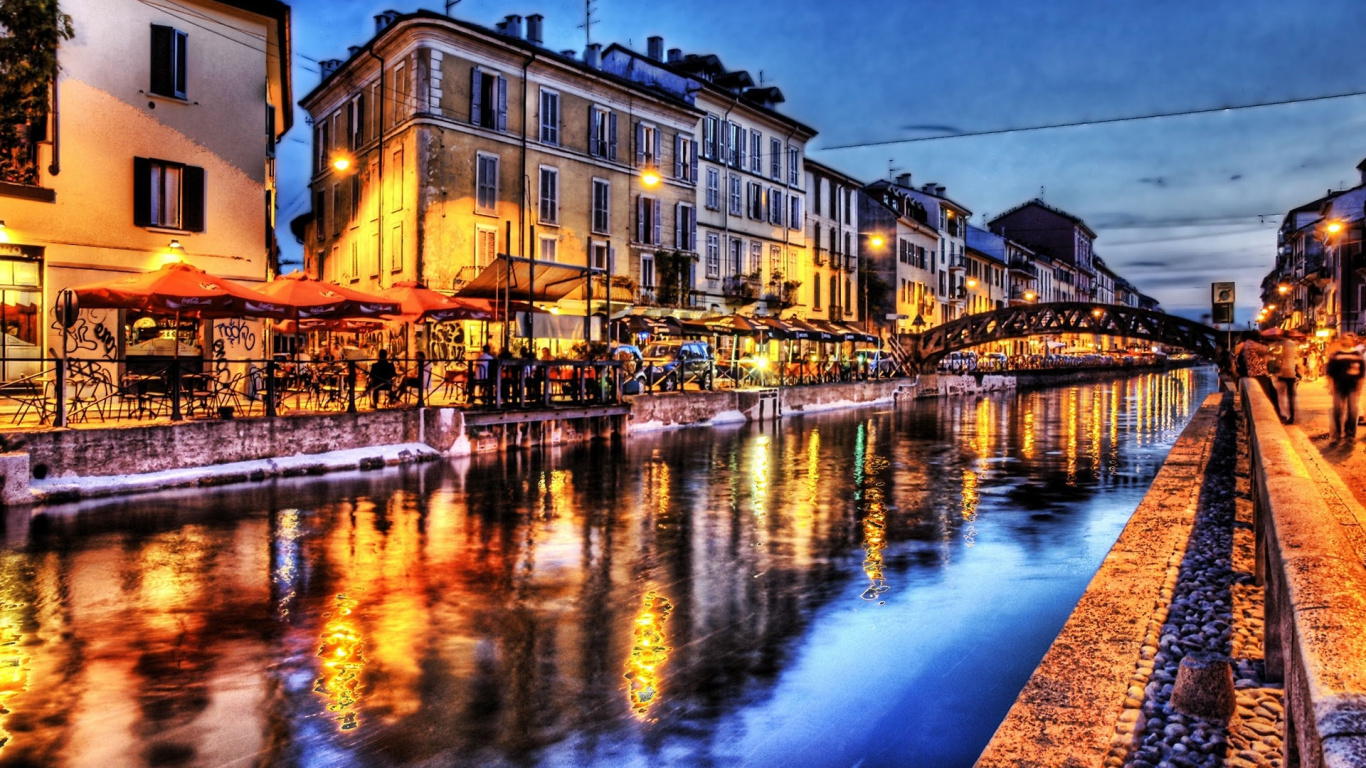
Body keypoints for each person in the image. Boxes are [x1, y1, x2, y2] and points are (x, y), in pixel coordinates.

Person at [1326, 336, 1365, 443]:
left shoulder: (1357, 355)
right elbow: (1330, 373)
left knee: (1352, 410)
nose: (1346, 342)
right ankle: (1337, 434)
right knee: (1337, 410)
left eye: (1348, 340)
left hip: (1352, 387)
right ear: (1341, 342)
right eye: (1344, 340)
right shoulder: (1336, 355)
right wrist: (1331, 386)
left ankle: (1350, 434)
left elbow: (1361, 373)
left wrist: (1359, 387)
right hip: (1339, 386)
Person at [1235, 330, 1280, 418]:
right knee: (1268, 396)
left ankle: (1277, 415)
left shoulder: (1246, 344)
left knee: (1272, 394)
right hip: (1259, 373)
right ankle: (1273, 416)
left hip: (1254, 373)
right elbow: (1266, 349)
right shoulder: (1252, 344)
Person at [1270, 338, 1302, 424]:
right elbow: (1296, 358)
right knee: (1291, 396)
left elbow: (1278, 356)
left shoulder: (1281, 344)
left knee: (1280, 395)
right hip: (1292, 372)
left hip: (1283, 372)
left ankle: (1283, 415)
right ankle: (1292, 417)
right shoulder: (1294, 344)